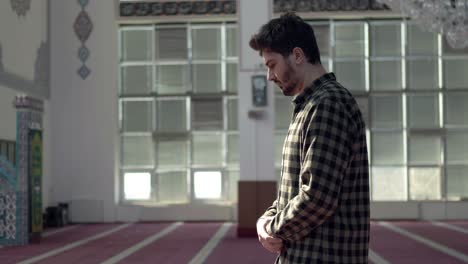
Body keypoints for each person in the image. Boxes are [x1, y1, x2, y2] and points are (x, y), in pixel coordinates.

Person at [249, 12, 370, 263]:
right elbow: (297, 188)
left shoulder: (328, 104)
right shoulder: (309, 105)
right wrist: (267, 217)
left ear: (297, 55)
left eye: (272, 65)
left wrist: (272, 228)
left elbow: (317, 197)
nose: (270, 76)